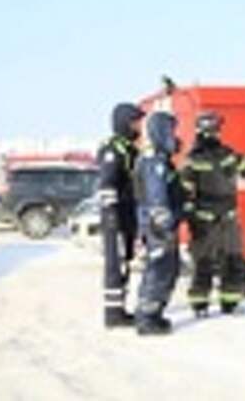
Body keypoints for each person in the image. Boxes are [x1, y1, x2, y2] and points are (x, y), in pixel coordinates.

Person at [180, 111, 245, 317]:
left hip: (228, 219)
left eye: (218, 130)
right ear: (204, 131)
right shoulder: (192, 160)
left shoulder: (227, 155)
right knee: (203, 264)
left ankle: (230, 302)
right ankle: (200, 305)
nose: (218, 134)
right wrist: (192, 219)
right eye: (215, 130)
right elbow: (185, 193)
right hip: (205, 222)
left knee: (233, 261)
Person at [134, 111, 185, 335]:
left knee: (167, 268)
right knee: (159, 269)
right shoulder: (155, 162)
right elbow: (157, 197)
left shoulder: (161, 160)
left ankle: (154, 313)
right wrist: (163, 224)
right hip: (158, 227)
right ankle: (147, 318)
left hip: (160, 224)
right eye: (172, 131)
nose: (175, 136)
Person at [97, 103, 144, 328]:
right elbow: (107, 183)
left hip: (127, 213)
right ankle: (113, 314)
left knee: (125, 261)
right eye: (135, 122)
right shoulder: (113, 149)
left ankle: (119, 308)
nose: (138, 127)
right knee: (116, 263)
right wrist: (111, 215)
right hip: (115, 216)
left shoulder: (130, 149)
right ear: (124, 123)